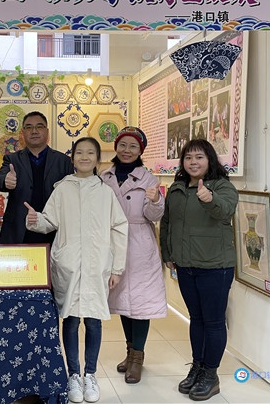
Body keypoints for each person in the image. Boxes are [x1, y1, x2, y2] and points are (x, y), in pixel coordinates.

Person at [25, 137, 128, 404]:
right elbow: (49, 222)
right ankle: (73, 375)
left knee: (93, 320)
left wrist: (117, 268)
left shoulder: (105, 193)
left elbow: (119, 227)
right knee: (70, 320)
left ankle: (90, 374)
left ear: (97, 159)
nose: (84, 157)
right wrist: (35, 219)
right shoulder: (62, 189)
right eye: (79, 152)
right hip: (68, 265)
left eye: (90, 153)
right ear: (72, 158)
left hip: (97, 266)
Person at [159, 139, 238, 402]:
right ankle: (198, 366)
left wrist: (210, 199)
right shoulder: (177, 188)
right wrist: (168, 254)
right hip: (185, 265)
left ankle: (211, 375)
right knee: (196, 318)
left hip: (215, 266)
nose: (193, 162)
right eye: (188, 157)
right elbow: (167, 223)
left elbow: (226, 210)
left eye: (199, 157)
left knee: (213, 321)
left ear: (210, 160)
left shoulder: (222, 186)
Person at [100, 126, 167, 384]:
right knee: (122, 301)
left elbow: (154, 216)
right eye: (123, 145)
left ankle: (137, 358)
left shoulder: (148, 179)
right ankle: (129, 353)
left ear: (140, 151)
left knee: (139, 302)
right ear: (116, 147)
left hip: (139, 243)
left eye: (133, 146)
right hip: (111, 242)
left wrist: (156, 200)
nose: (127, 150)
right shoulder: (104, 176)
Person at [0, 111, 73, 244]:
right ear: (23, 133)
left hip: (54, 231)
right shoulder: (12, 159)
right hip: (19, 231)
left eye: (39, 126)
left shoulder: (63, 161)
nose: (34, 131)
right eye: (29, 127)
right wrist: (5, 181)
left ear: (47, 132)